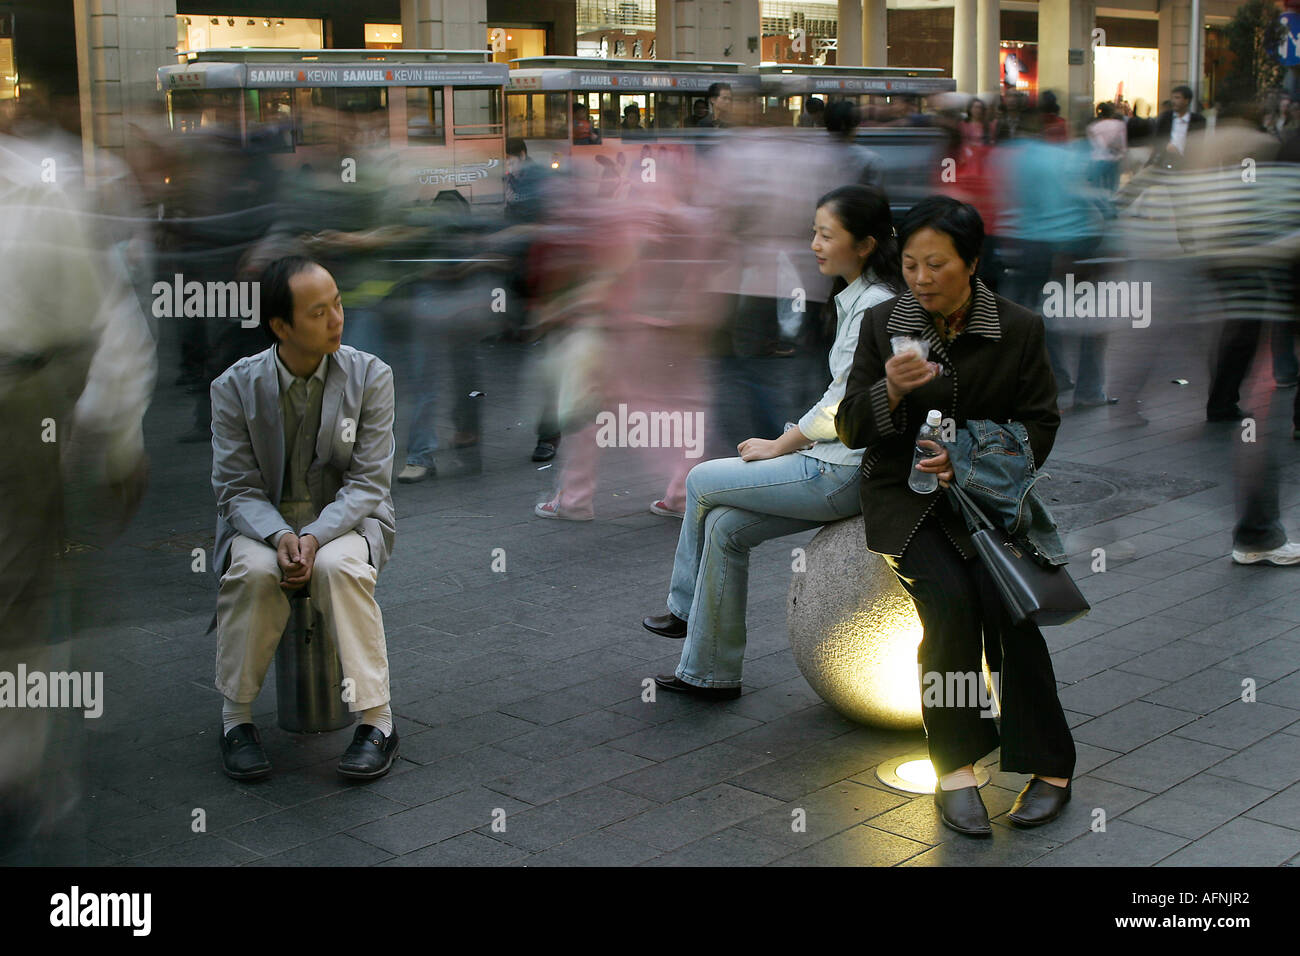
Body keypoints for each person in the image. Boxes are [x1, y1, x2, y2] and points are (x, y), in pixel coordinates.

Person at [835, 196, 1076, 837]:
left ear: (971, 262)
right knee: (950, 607)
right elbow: (852, 428)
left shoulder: (1018, 328)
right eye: (910, 264)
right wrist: (888, 389)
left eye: (936, 265)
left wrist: (966, 457)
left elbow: (1041, 425)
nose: (920, 279)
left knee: (1011, 611)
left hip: (987, 503)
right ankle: (958, 767)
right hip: (906, 498)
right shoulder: (886, 323)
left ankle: (1050, 766)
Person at [640, 185, 902, 698]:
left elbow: (842, 403)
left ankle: (683, 609)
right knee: (724, 528)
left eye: (827, 235)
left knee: (700, 479)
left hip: (840, 471)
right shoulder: (861, 297)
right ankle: (709, 674)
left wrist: (784, 442)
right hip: (837, 463)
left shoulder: (875, 305)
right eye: (813, 233)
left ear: (866, 243)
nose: (814, 245)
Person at [210, 256, 399, 781]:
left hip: (348, 519)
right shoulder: (234, 387)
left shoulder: (371, 376)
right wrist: (279, 534)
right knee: (252, 572)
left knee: (339, 568)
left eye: (337, 303)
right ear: (280, 326)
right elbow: (237, 488)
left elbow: (367, 484)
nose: (337, 318)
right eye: (318, 312)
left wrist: (313, 535)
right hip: (261, 521)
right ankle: (235, 720)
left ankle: (378, 721)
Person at [1150, 84, 1205, 168]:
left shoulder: (1198, 120)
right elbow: (1157, 139)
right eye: (1173, 98)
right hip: (1166, 161)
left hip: (1188, 164)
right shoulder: (1165, 118)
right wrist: (1166, 146)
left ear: (1187, 100)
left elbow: (1201, 141)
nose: (1173, 101)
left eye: (1177, 98)